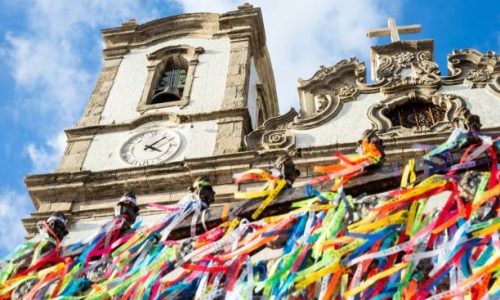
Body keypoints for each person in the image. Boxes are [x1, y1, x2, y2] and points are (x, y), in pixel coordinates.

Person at [1, 212, 69, 299]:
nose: (59, 231)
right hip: (21, 276)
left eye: (61, 228)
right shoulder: (38, 242)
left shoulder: (56, 248)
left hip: (38, 280)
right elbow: (18, 257)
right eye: (56, 226)